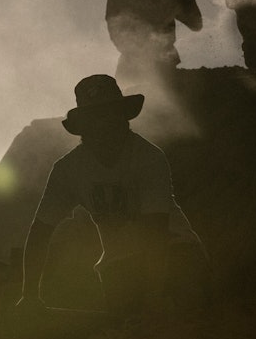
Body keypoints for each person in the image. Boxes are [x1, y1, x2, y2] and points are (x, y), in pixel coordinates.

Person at [17, 75, 206, 323]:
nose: (106, 123)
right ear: (84, 125)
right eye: (97, 116)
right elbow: (41, 231)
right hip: (120, 267)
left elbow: (156, 230)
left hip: (176, 254)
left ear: (123, 117)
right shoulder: (68, 169)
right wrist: (29, 295)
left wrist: (154, 295)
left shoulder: (148, 158)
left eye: (111, 114)